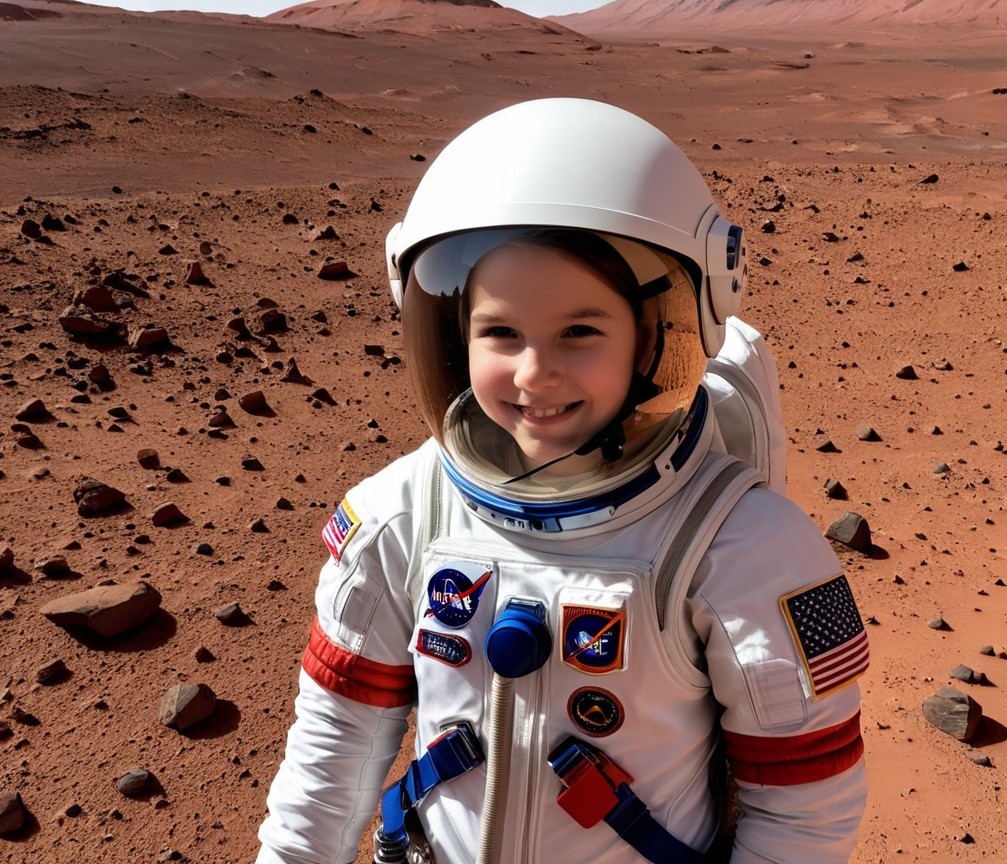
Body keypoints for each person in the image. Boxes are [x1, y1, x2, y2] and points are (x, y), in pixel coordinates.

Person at [256, 97, 868, 864]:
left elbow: (805, 811)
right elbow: (334, 747)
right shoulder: (404, 514)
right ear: (450, 332)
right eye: (500, 332)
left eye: (580, 331)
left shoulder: (740, 549)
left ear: (655, 336)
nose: (534, 372)